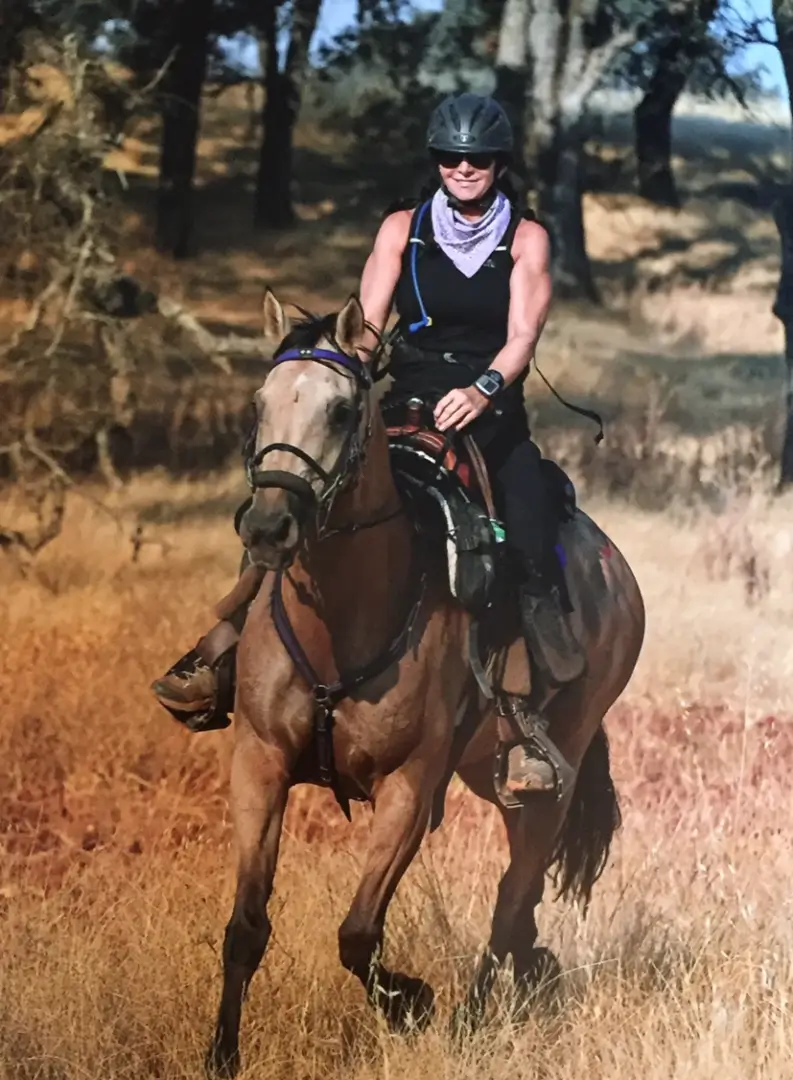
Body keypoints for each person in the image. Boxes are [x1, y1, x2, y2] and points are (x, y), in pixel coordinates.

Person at [151, 92, 585, 793]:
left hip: (488, 410)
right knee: (292, 499)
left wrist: (480, 389)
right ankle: (219, 657)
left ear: (499, 164)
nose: (463, 168)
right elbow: (368, 326)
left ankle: (522, 719)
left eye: (477, 158)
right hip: (404, 400)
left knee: (529, 529)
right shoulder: (401, 230)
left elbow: (521, 339)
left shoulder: (525, 238)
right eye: (450, 156)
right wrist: (332, 365)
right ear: (435, 162)